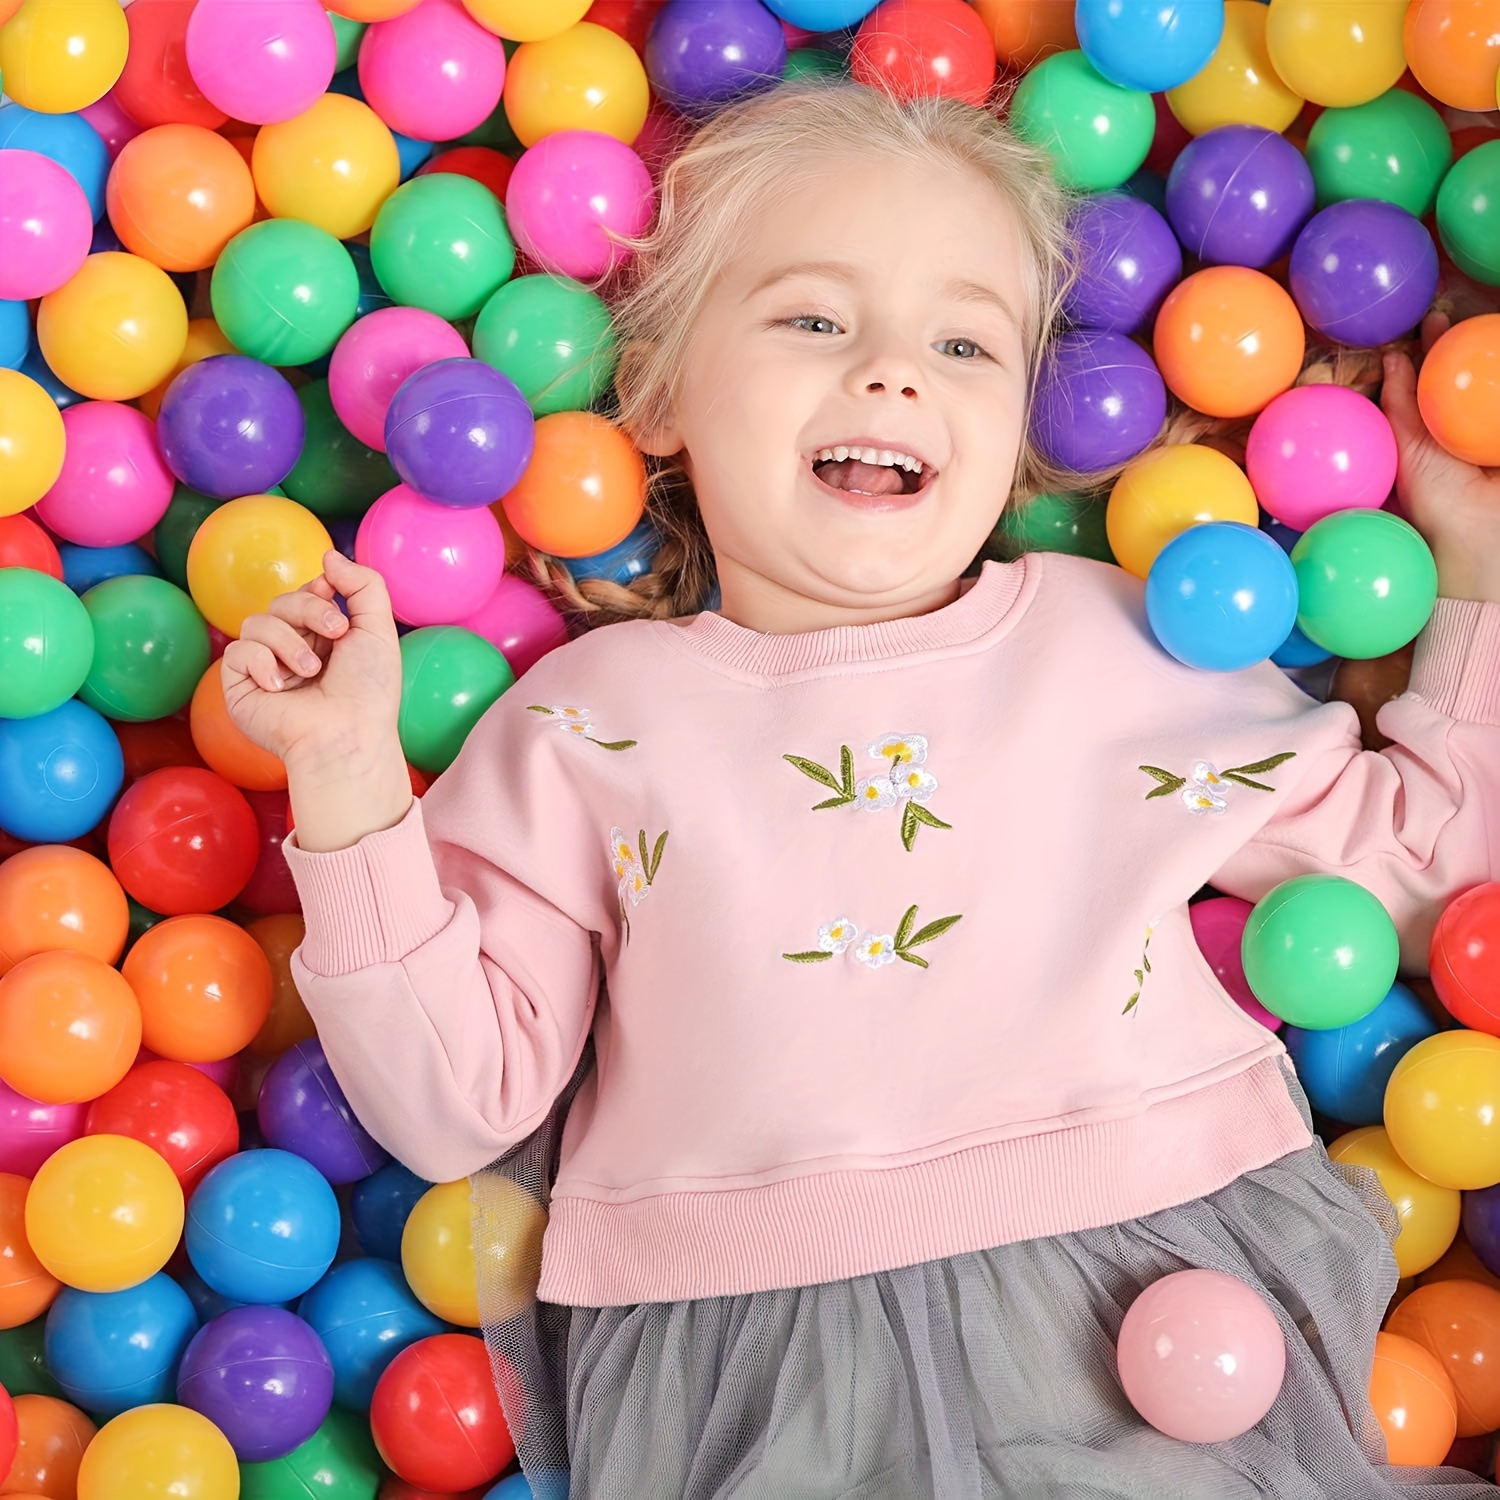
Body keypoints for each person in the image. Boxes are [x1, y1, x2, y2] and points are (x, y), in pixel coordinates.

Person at [223, 83, 1500, 1500]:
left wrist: (1474, 572)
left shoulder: (1119, 644)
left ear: (1014, 427)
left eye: (962, 341)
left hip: (1141, 1283)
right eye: (815, 319)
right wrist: (343, 777)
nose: (894, 371)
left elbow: (1424, 871)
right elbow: (457, 1104)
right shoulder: (589, 721)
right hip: (762, 1362)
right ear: (656, 397)